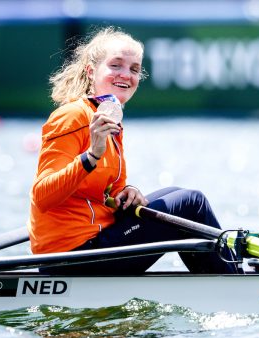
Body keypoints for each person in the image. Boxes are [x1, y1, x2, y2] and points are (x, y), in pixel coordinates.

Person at [29, 26, 239, 275]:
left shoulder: (110, 118)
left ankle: (226, 278)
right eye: (115, 65)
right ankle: (236, 283)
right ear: (90, 71)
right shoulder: (72, 116)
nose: (126, 75)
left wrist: (126, 192)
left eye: (134, 69)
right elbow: (42, 196)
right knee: (191, 203)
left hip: (92, 242)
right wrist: (91, 156)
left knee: (176, 193)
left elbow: (106, 190)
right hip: (74, 255)